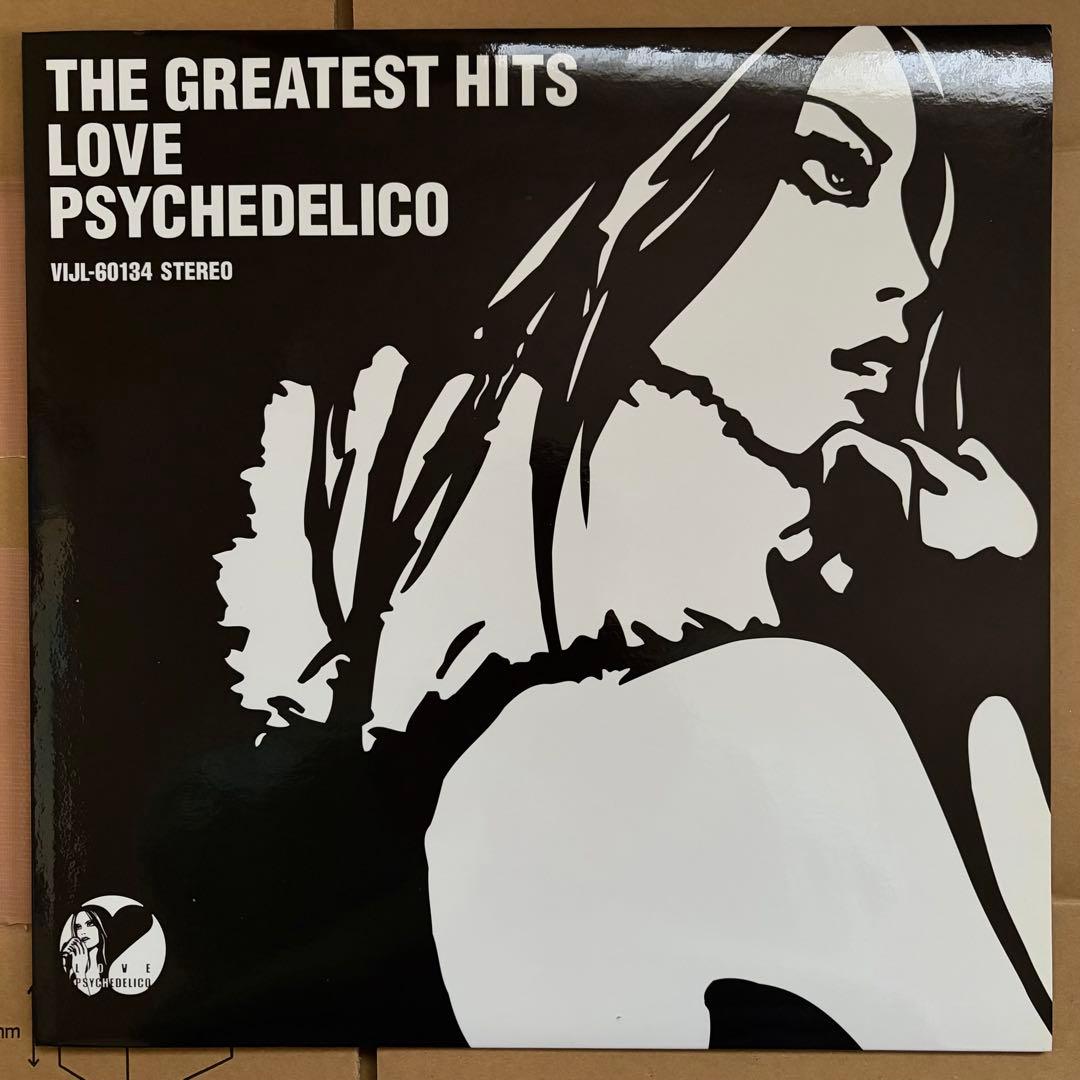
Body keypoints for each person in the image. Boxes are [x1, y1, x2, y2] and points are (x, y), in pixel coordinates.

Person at [218, 24, 1049, 1050]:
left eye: (923, 221)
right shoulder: (749, 712)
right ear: (648, 181)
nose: (913, 274)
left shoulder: (837, 619)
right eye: (834, 170)